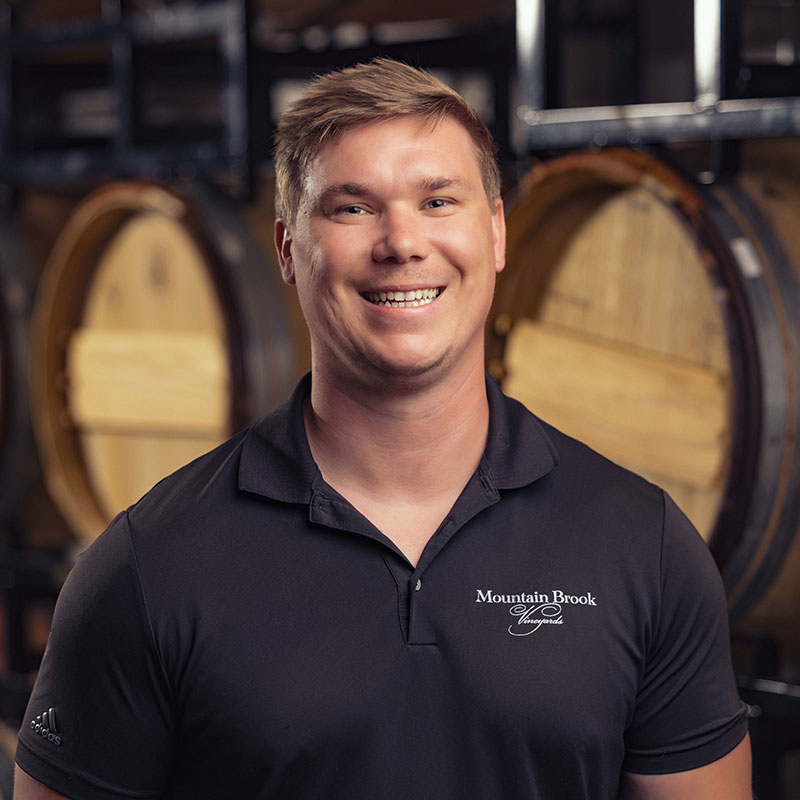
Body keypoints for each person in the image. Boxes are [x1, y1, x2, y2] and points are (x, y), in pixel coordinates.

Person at [15, 58, 750, 799]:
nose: (402, 242)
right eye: (352, 208)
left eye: (438, 201)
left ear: (496, 233)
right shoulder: (147, 568)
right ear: (287, 251)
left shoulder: (643, 545)